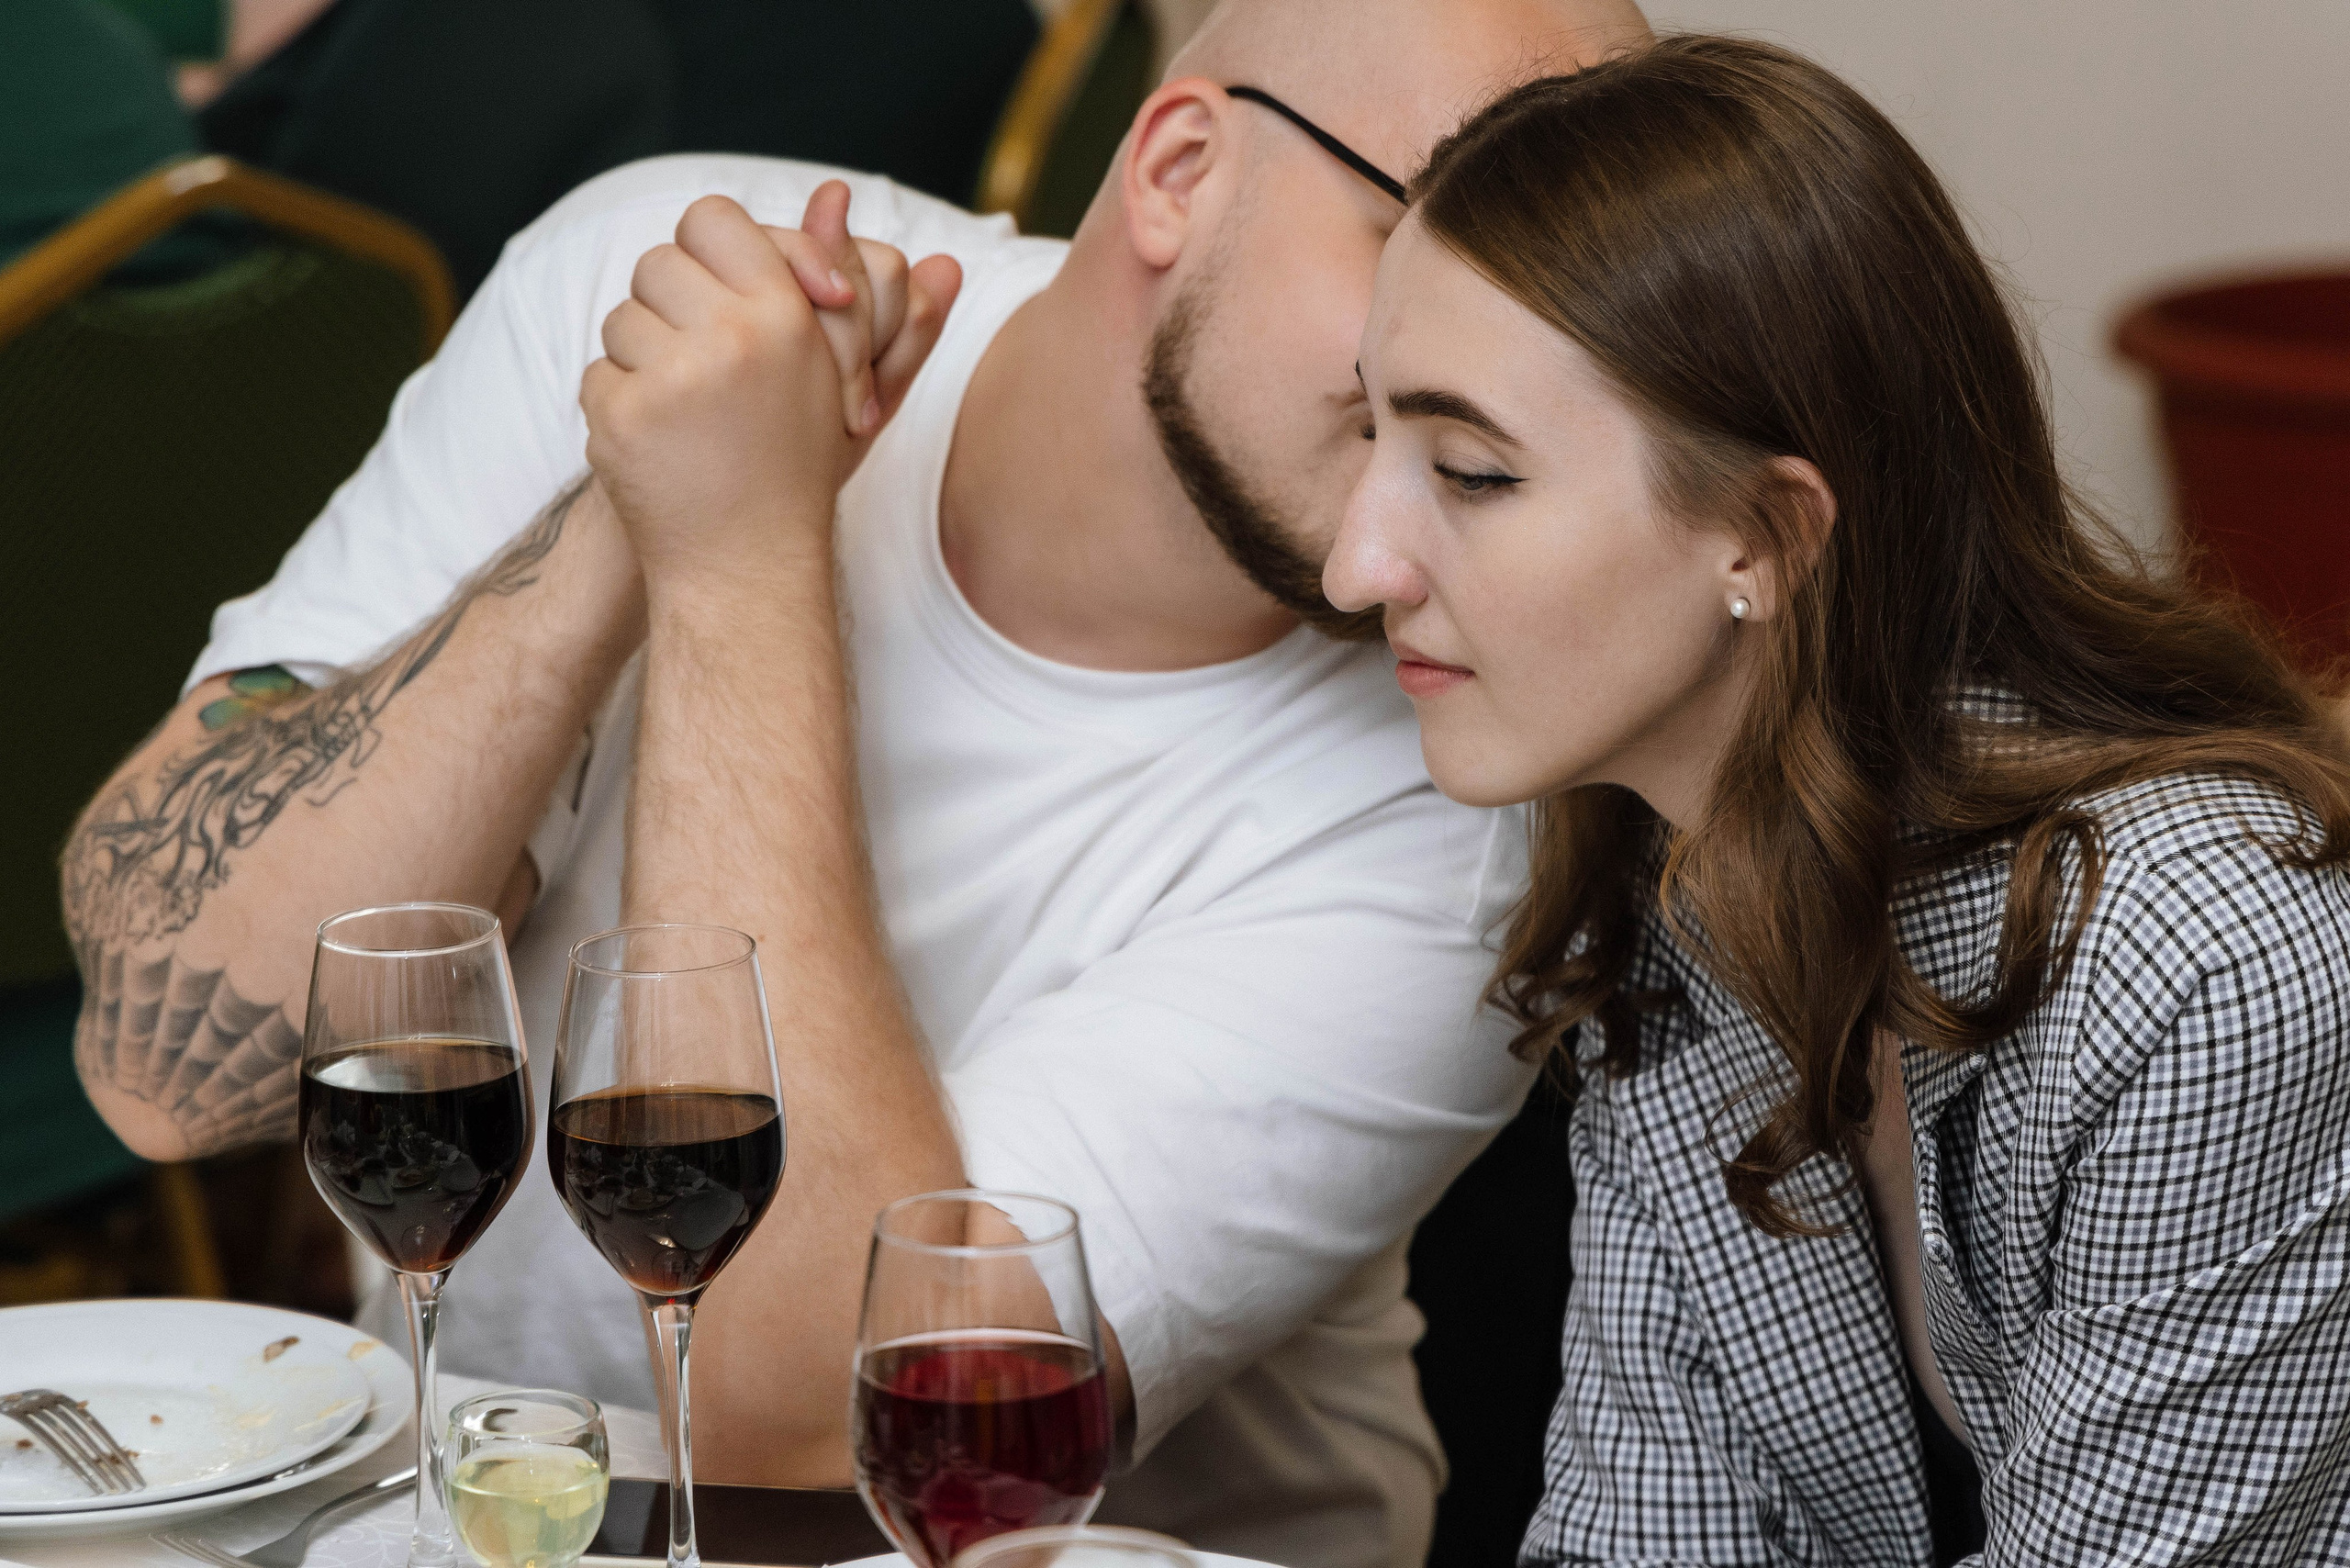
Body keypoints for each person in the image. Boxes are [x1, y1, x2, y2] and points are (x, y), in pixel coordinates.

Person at [59, 0, 1651, 1561]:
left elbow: (808, 1418)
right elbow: (165, 1065)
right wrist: (626, 511)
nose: (1496, 373)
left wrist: (741, 548)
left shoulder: (1470, 794)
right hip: (491, 1525)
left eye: (1569, 315)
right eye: (1436, 233)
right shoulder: (663, 284)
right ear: (1179, 170)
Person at [1326, 34, 2350, 1565]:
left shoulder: (2201, 954)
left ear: (1769, 536)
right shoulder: (1676, 894)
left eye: (1470, 471)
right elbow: (1634, 1540)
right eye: (1369, 434)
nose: (1354, 563)